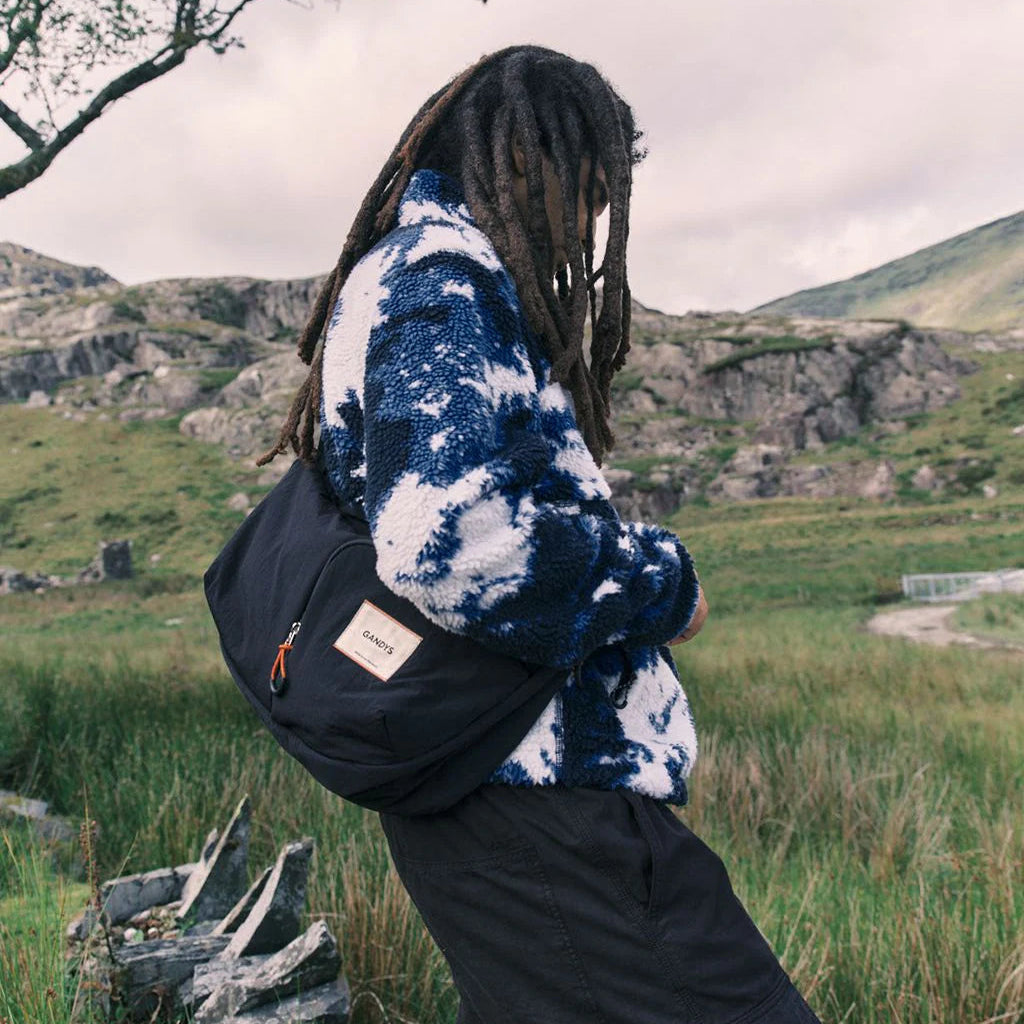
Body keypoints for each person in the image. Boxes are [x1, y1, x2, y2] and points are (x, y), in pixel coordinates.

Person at [260, 45, 821, 1024]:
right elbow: (450, 543)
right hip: (538, 792)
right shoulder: (441, 277)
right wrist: (662, 581)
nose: (595, 224)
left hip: (506, 787)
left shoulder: (410, 274)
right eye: (591, 189)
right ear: (525, 163)